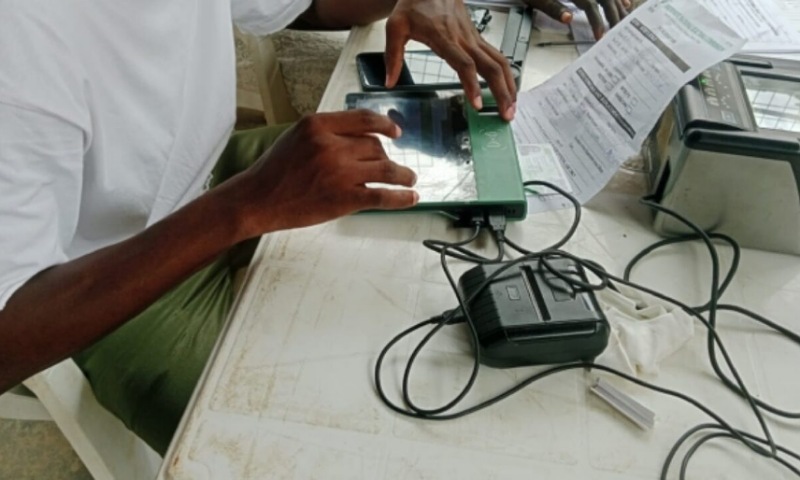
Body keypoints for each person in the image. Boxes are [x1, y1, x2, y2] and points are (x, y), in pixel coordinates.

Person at [0, 0, 630, 455]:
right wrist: (244, 209)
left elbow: (316, 4)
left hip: (210, 177)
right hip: (106, 284)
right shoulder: (22, 49)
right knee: (350, 444)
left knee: (443, 193)